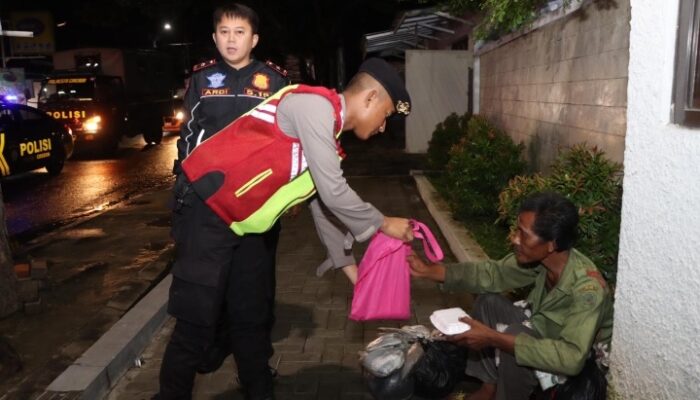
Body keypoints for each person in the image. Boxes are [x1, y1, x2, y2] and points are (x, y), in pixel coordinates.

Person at [159, 3, 289, 400]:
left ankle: (259, 389)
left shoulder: (273, 80)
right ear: (215, 38)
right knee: (195, 316)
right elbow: (188, 138)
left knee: (250, 315)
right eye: (225, 32)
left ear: (254, 39)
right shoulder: (201, 79)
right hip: (205, 215)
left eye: (240, 32)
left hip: (255, 217)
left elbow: (285, 144)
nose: (232, 39)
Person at [408, 192, 614, 400]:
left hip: (578, 371)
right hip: (543, 334)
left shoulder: (587, 289)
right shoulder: (541, 261)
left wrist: (493, 338)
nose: (515, 238)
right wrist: (429, 271)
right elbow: (492, 274)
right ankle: (489, 388)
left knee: (514, 337)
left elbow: (571, 359)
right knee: (489, 303)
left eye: (524, 234)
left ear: (551, 244)